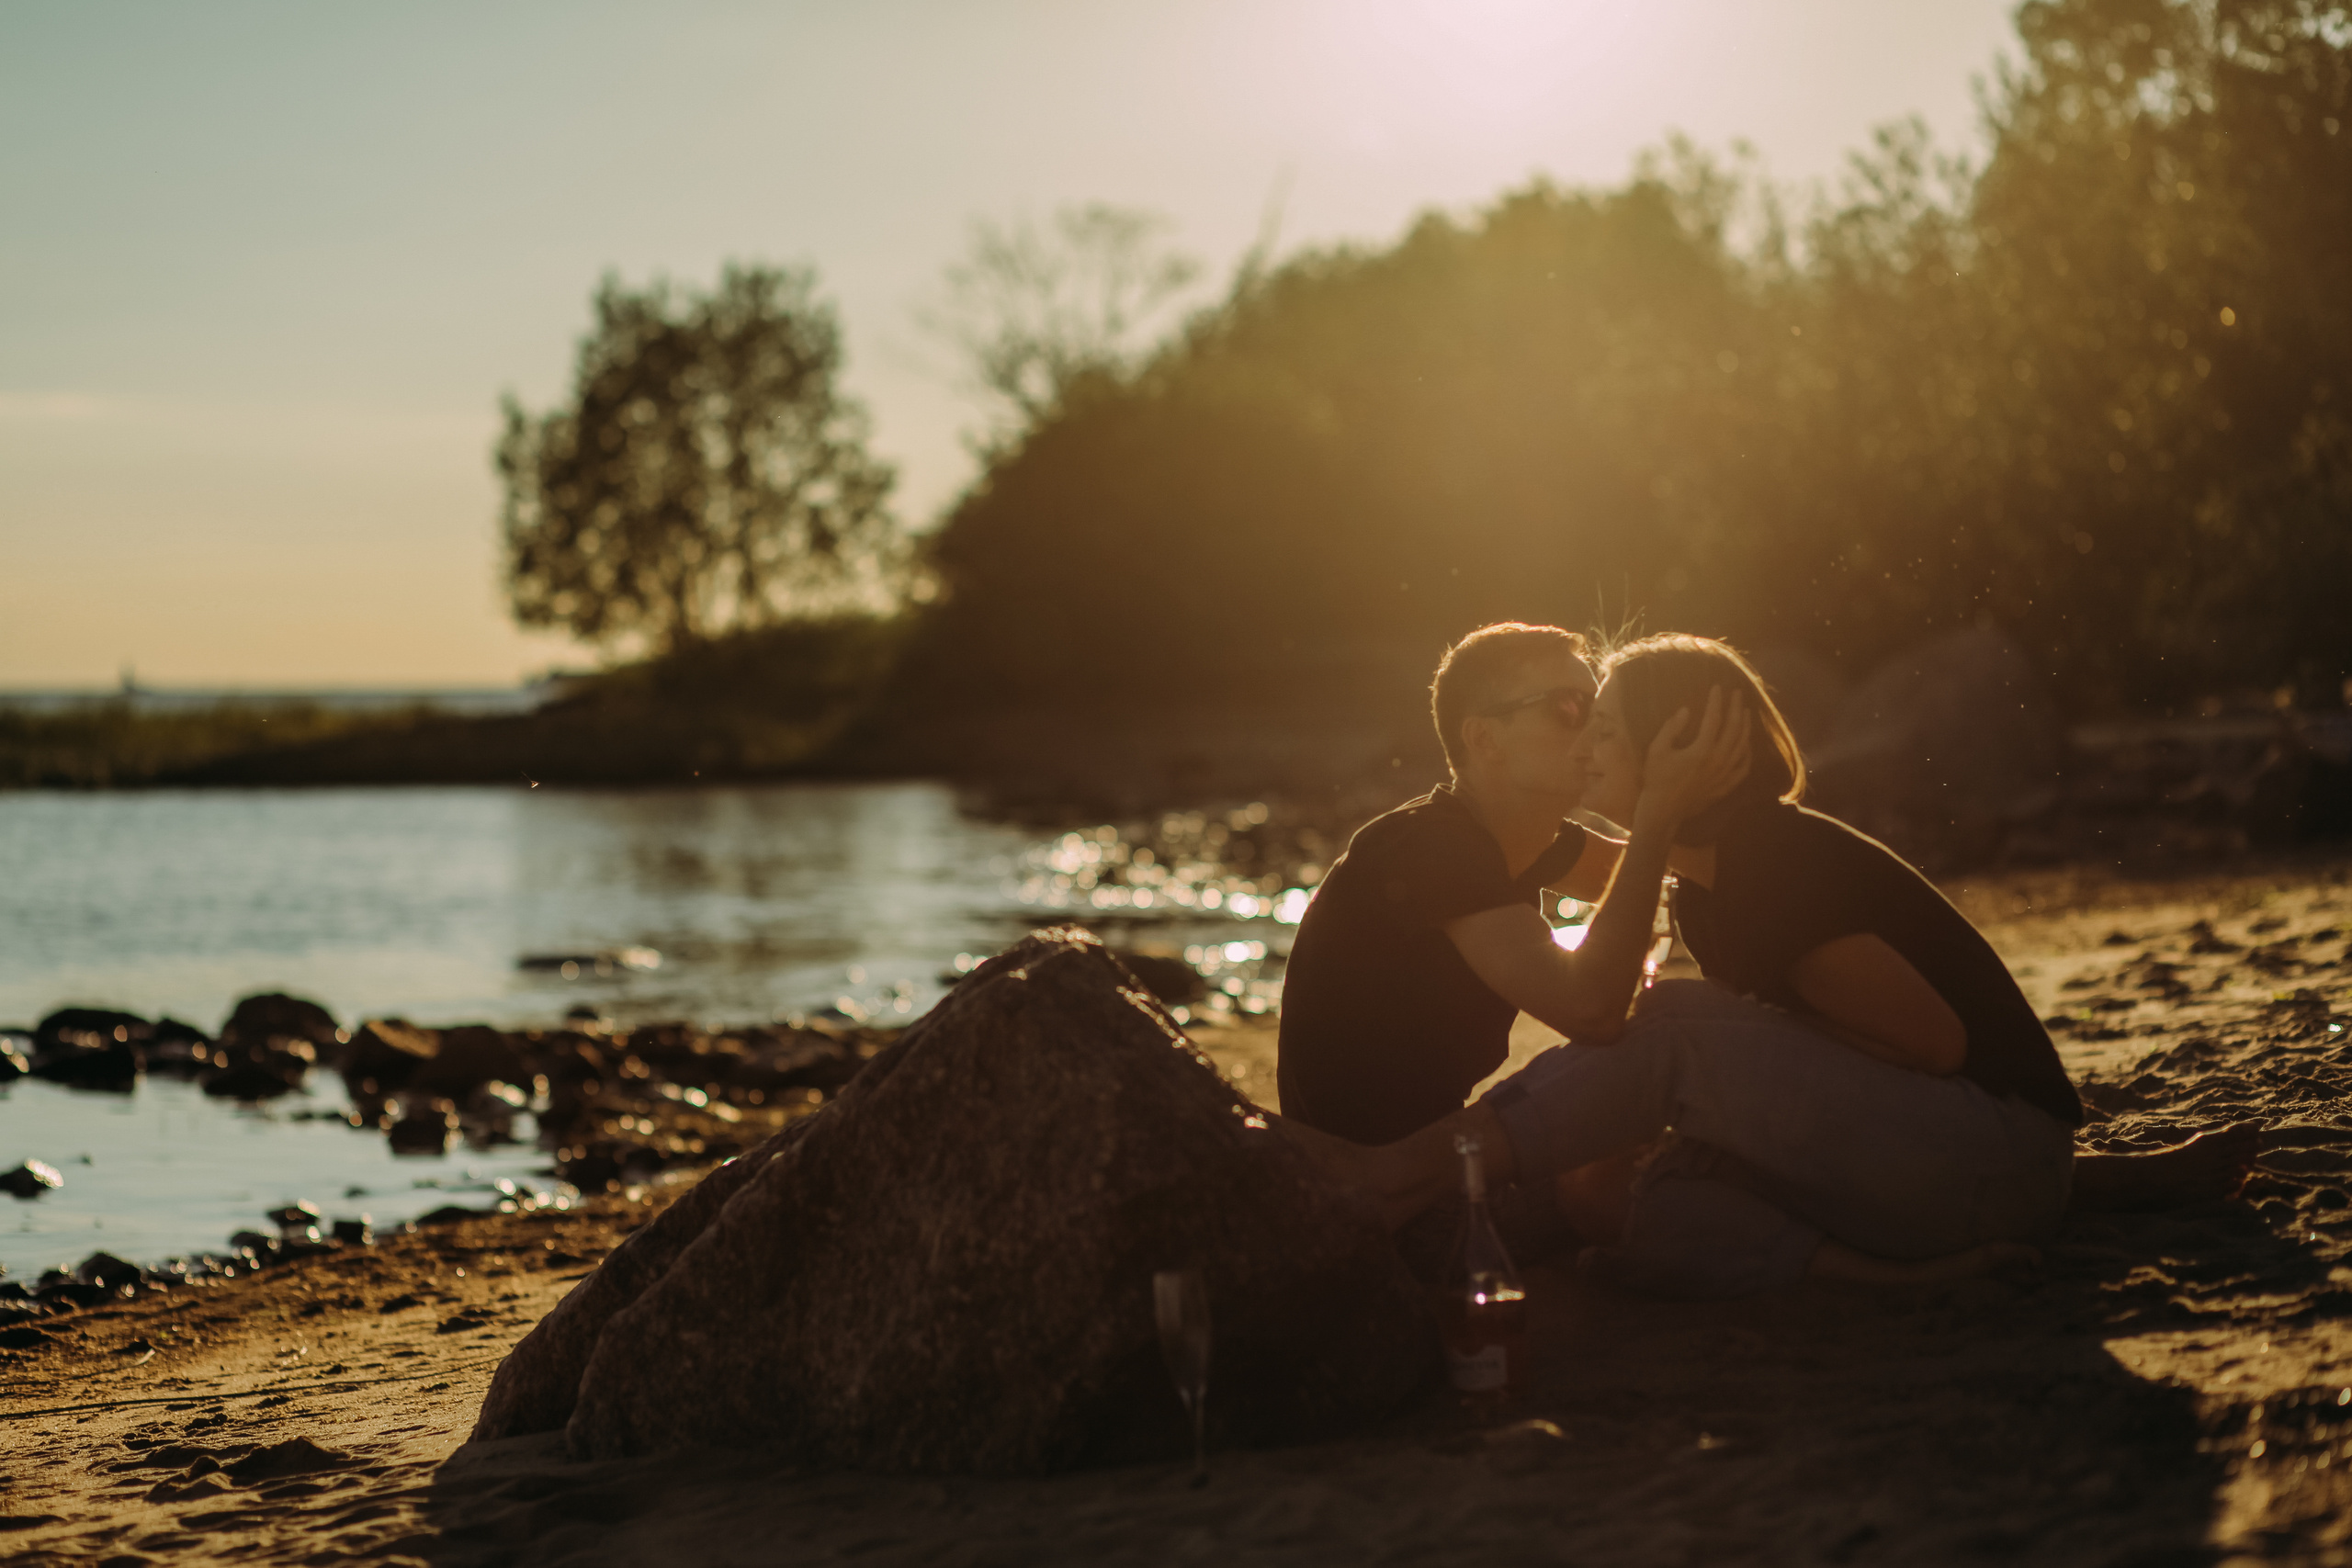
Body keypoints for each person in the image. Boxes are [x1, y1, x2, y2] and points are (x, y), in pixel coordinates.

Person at [1280, 630, 2255, 1294]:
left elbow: (1628, 948)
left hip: (1979, 1155)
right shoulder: (1447, 848)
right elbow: (1614, 947)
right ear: (1482, 740)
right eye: (1568, 709)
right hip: (1954, 1161)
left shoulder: (1749, 867)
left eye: (1598, 716)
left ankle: (1391, 1177)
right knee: (1615, 1179)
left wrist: (1673, 803)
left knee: (1668, 1039)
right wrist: (1664, 814)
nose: (1587, 739)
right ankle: (1899, 1274)